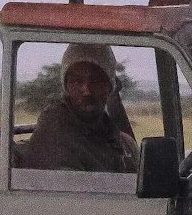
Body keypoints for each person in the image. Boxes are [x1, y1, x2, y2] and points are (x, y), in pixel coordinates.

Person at [18, 42, 138, 173]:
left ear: (109, 87)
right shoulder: (54, 136)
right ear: (67, 86)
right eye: (77, 81)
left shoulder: (117, 139)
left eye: (95, 81)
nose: (86, 91)